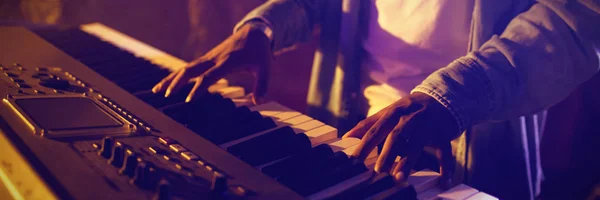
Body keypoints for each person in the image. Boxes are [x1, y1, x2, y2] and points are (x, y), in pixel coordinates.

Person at [152, 0, 600, 199]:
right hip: (351, 137)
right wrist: (264, 26)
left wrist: (453, 97)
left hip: (473, 147)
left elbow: (577, 20)